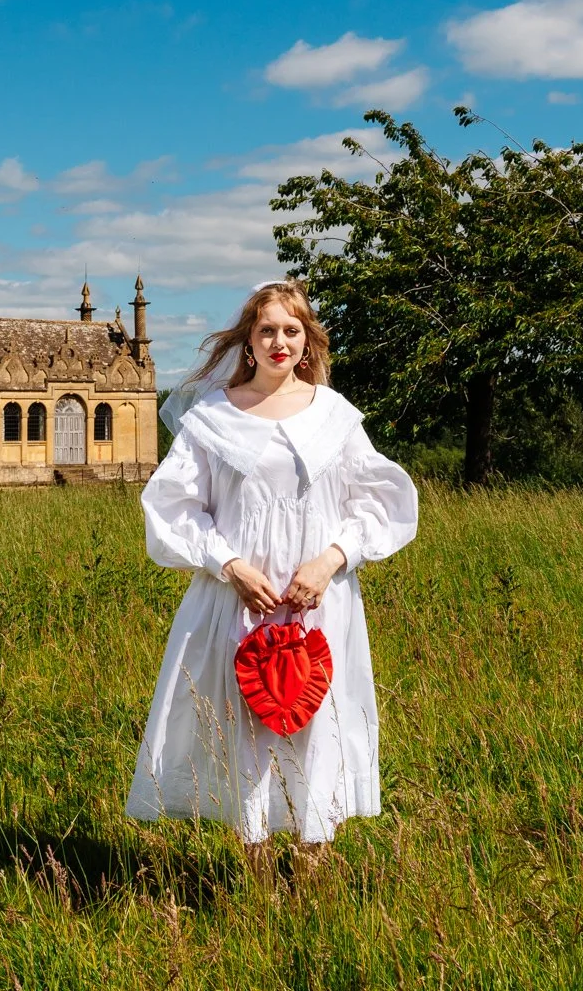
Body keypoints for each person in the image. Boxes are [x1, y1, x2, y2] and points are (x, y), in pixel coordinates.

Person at [127, 280, 419, 847]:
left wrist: (331, 560)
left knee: (315, 730)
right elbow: (173, 506)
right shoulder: (213, 419)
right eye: (268, 330)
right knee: (244, 730)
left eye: (292, 330)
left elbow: (380, 501)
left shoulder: (333, 416)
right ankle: (253, 873)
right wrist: (229, 564)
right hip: (237, 602)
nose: (279, 342)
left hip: (319, 603)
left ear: (307, 342)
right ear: (249, 342)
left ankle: (313, 871)